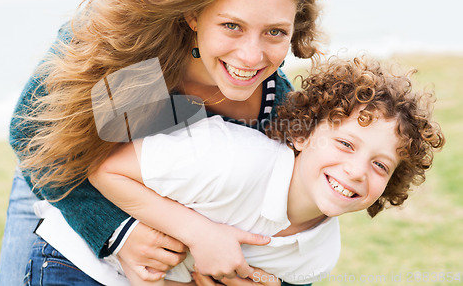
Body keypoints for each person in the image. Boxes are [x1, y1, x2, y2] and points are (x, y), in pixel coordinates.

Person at [0, 0, 332, 285]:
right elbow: (29, 131)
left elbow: (300, 225)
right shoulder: (135, 55)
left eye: (275, 32)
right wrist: (119, 234)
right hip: (59, 171)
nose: (251, 56)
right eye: (232, 26)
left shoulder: (280, 115)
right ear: (193, 15)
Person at [86, 55, 444, 286]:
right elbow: (104, 168)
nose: (355, 171)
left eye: (380, 165)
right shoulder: (227, 159)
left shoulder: (320, 256)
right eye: (346, 144)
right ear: (302, 134)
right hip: (79, 262)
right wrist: (199, 233)